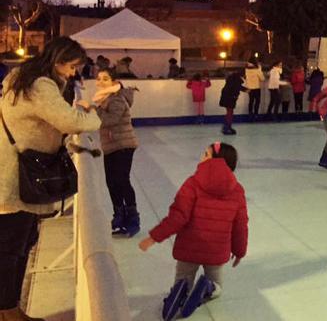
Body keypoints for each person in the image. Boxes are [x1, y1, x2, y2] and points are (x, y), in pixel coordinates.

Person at [0, 37, 101, 321]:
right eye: (71, 67)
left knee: (19, 244)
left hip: (15, 173)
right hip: (18, 179)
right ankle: (8, 311)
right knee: (11, 249)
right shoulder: (41, 85)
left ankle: (11, 309)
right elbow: (72, 121)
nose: (73, 74)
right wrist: (94, 115)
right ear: (58, 61)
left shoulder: (23, 77)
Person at [139, 142, 248, 320]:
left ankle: (178, 294)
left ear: (215, 161)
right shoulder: (237, 190)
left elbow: (177, 217)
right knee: (217, 285)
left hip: (188, 249)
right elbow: (240, 225)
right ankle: (209, 287)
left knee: (183, 279)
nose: (201, 157)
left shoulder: (192, 183)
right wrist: (239, 251)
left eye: (205, 154)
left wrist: (153, 237)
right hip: (216, 251)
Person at [94, 67, 140, 237]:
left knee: (121, 180)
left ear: (114, 82)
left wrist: (93, 109)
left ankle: (133, 219)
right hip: (110, 145)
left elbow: (109, 120)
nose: (100, 82)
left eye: (105, 79)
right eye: (99, 78)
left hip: (123, 144)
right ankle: (119, 216)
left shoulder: (117, 98)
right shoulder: (103, 98)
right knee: (111, 182)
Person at [219, 70, 246, 135]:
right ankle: (227, 127)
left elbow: (238, 87)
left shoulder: (232, 80)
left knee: (229, 112)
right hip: (230, 98)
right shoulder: (236, 81)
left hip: (226, 98)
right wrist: (247, 90)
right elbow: (238, 87)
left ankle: (226, 126)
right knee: (230, 113)